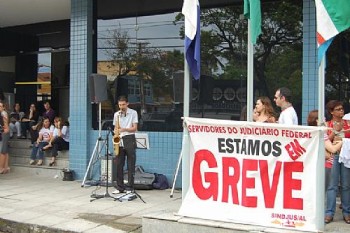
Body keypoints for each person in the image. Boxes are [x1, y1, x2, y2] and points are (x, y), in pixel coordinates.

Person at [324, 100, 350, 224]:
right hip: (333, 156)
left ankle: (347, 213)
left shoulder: (347, 124)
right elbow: (325, 141)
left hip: (345, 157)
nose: (341, 111)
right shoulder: (327, 124)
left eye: (342, 109)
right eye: (338, 109)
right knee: (332, 186)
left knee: (346, 185)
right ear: (331, 111)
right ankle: (329, 213)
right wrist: (334, 131)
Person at [307, 110, 343, 192]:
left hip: (317, 164)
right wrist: (343, 142)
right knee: (326, 191)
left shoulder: (311, 133)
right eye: (324, 119)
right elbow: (332, 149)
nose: (326, 122)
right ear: (317, 121)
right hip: (327, 165)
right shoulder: (322, 134)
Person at [112, 96, 138, 194]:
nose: (121, 107)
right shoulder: (116, 114)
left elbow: (135, 128)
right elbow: (116, 127)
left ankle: (130, 187)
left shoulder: (133, 113)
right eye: (120, 105)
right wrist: (116, 133)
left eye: (123, 104)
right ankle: (120, 187)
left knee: (131, 164)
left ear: (127, 104)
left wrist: (124, 129)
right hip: (120, 139)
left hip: (129, 138)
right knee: (119, 164)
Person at [0, 101, 10, 174]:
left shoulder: (3, 113)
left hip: (4, 133)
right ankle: (6, 167)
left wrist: (5, 129)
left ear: (3, 107)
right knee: (5, 151)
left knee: (3, 151)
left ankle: (2, 167)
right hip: (3, 132)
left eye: (0, 106)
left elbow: (6, 124)